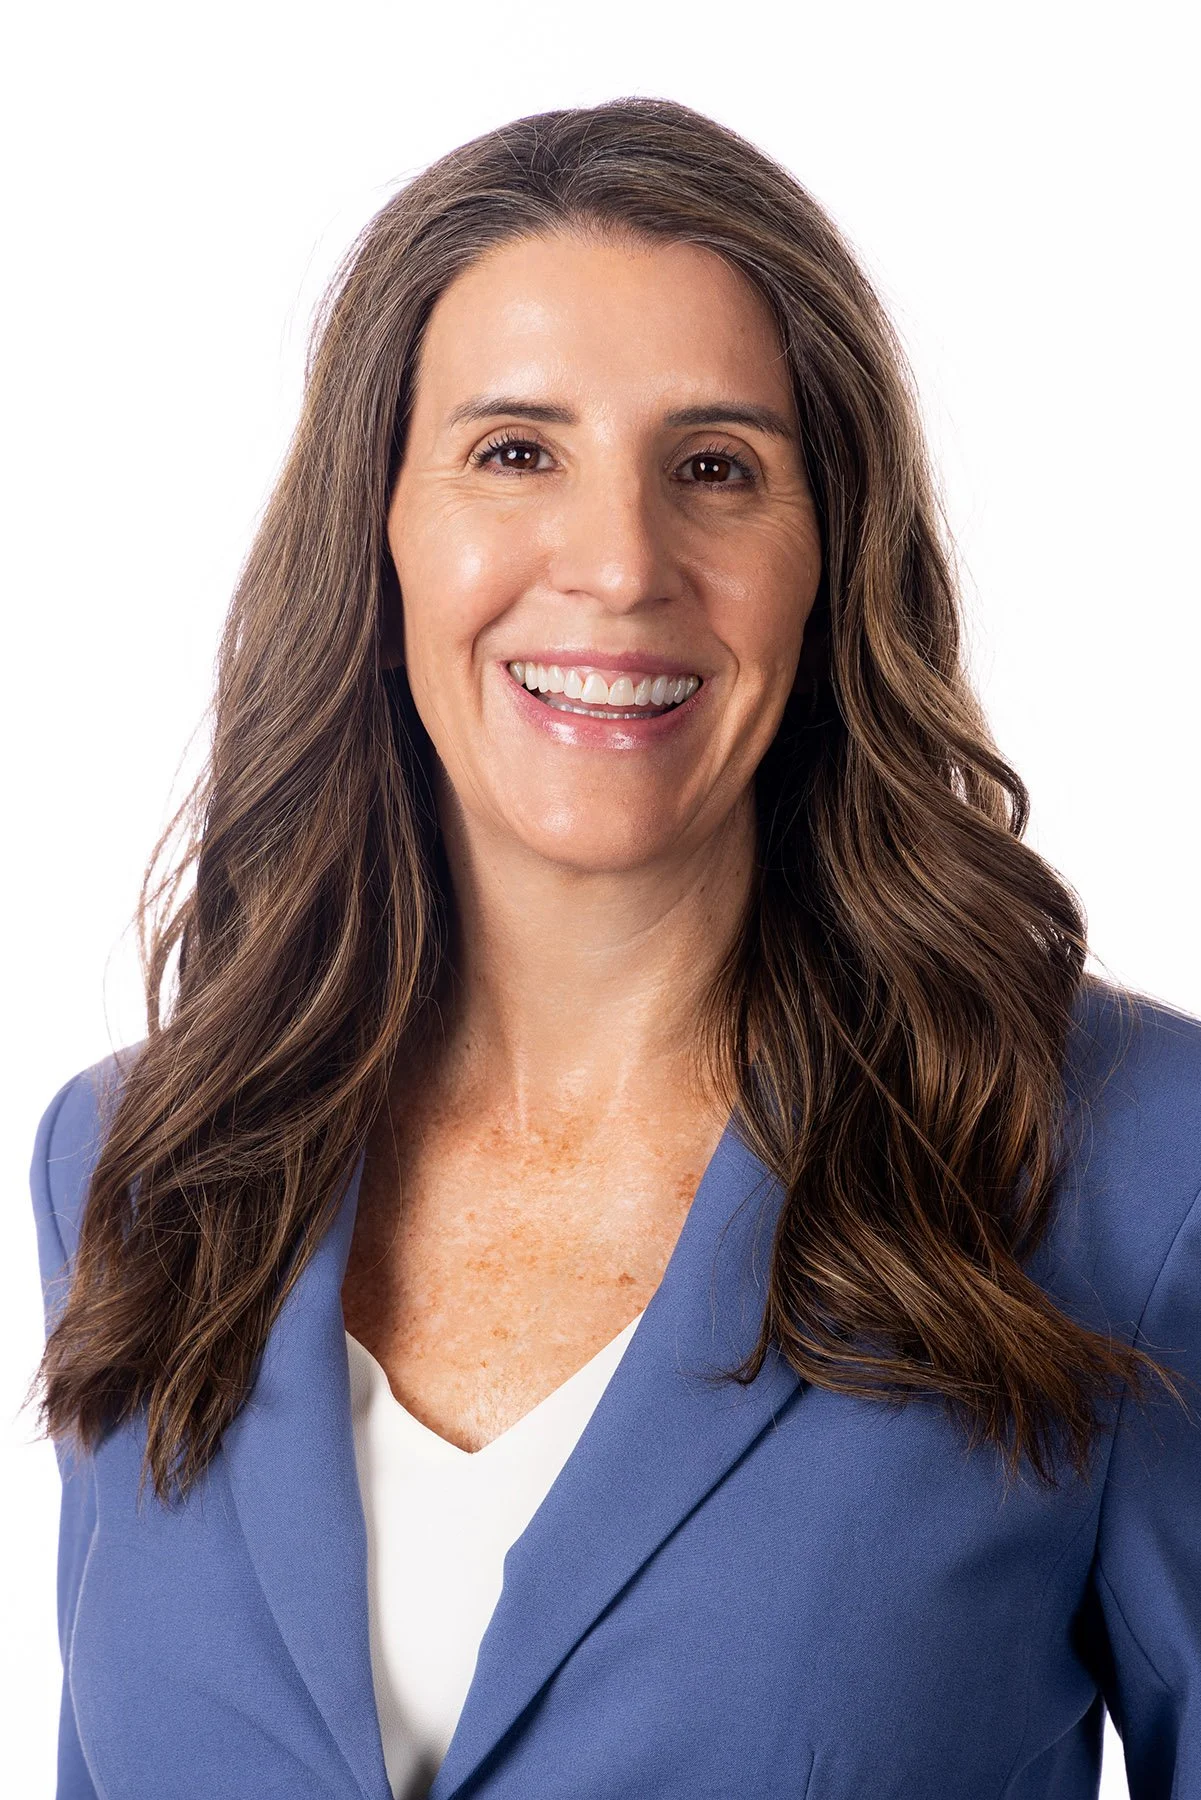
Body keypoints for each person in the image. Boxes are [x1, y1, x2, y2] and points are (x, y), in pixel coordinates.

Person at [28, 96, 1201, 1800]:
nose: (620, 562)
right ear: (382, 528)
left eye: (716, 468)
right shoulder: (140, 1167)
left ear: (831, 560)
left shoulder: (1134, 1169)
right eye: (518, 453)